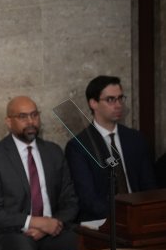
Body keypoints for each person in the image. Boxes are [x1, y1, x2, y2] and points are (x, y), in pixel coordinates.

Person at [0, 96, 79, 250]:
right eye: (23, 117)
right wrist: (35, 222)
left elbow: (71, 202)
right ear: (9, 122)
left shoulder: (53, 152)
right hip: (11, 234)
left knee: (79, 242)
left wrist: (48, 226)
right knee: (23, 248)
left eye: (34, 115)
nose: (31, 121)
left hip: (51, 229)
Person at [65, 76, 157, 222]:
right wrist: (121, 218)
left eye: (120, 98)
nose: (118, 104)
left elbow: (149, 187)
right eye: (110, 100)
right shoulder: (79, 146)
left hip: (141, 217)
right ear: (93, 103)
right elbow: (88, 198)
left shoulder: (135, 139)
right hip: (103, 221)